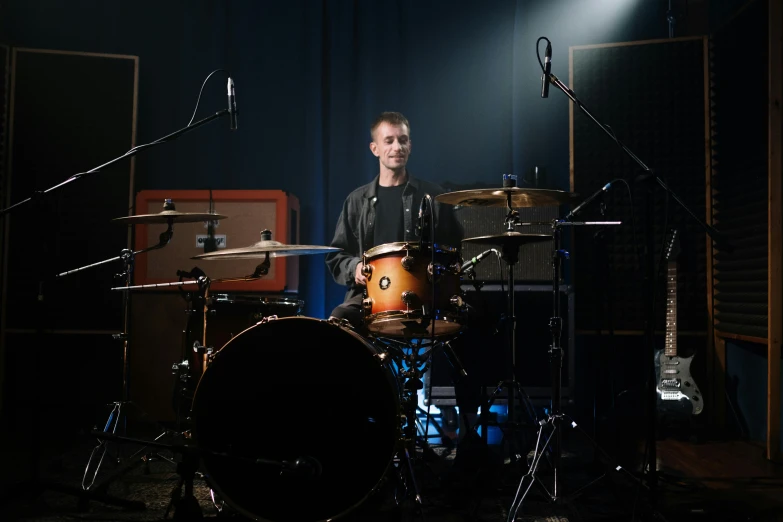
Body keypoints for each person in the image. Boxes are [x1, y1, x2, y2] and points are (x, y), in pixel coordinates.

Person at [325, 111, 463, 328]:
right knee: (339, 318)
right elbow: (336, 256)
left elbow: (455, 251)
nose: (397, 147)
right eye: (388, 141)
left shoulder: (434, 196)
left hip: (425, 297)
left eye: (403, 140)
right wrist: (356, 268)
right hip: (370, 299)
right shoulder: (356, 201)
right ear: (375, 149)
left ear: (410, 145)